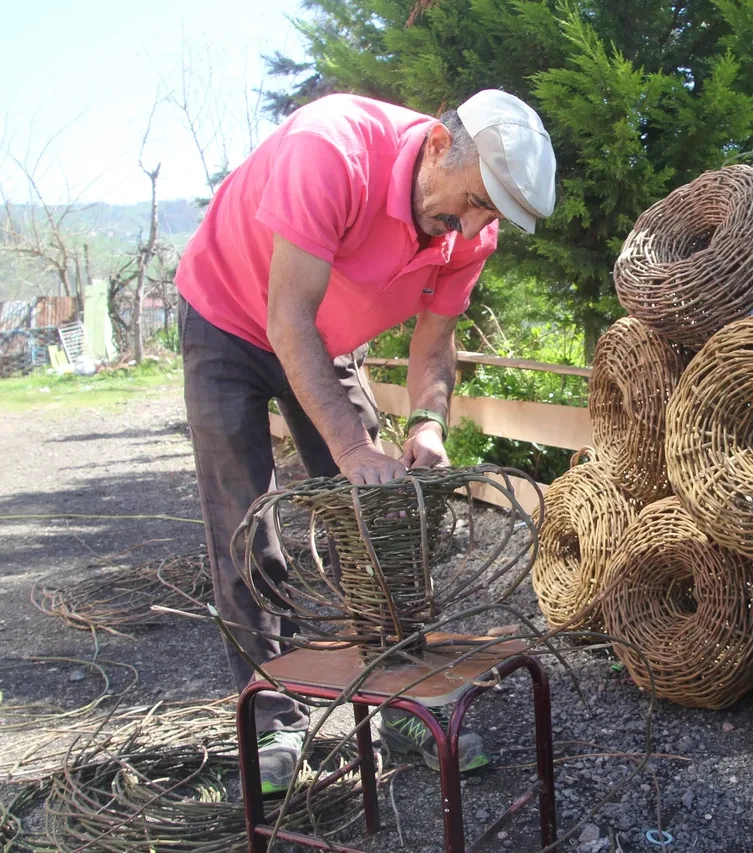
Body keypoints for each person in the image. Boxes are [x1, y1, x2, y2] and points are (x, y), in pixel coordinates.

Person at [174, 89, 557, 794]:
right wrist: (352, 449)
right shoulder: (332, 151)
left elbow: (434, 343)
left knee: (380, 521)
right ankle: (272, 721)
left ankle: (401, 702)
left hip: (323, 336)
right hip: (230, 316)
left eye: (491, 213)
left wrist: (427, 424)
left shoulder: (470, 228)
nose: (473, 224)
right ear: (441, 147)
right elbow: (286, 320)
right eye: (473, 200)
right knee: (246, 526)